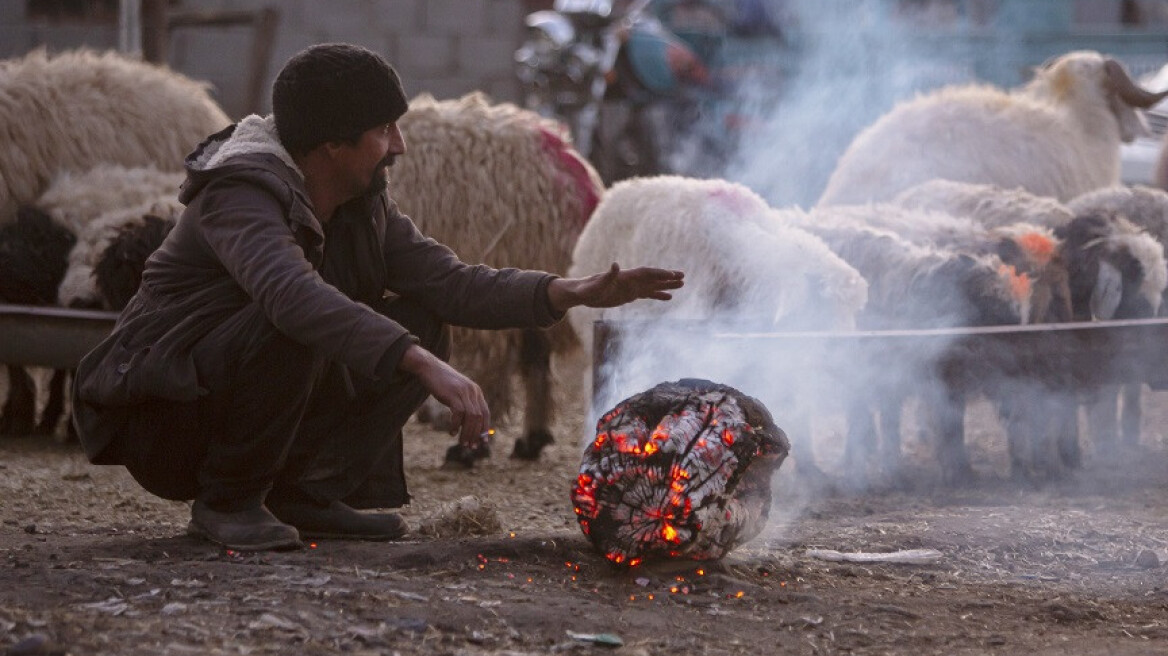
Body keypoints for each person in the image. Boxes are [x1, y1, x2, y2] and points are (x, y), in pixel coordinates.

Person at [71, 43, 684, 552]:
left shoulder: (361, 204)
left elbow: (450, 281)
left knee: (421, 312)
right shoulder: (241, 193)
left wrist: (569, 290)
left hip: (223, 388)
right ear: (332, 145)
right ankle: (227, 501)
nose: (400, 145)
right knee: (305, 320)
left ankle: (303, 495)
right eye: (384, 130)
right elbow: (292, 298)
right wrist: (419, 362)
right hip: (162, 409)